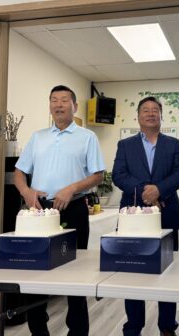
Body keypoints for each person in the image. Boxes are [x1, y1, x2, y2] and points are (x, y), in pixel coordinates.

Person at [14, 85, 105, 336]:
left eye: (64, 100)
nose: (59, 104)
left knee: (75, 274)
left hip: (73, 209)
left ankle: (77, 331)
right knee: (35, 274)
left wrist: (72, 188)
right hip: (39, 212)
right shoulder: (38, 137)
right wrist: (26, 192)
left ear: (74, 106)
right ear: (50, 106)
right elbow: (19, 172)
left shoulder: (87, 137)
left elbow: (98, 174)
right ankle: (38, 330)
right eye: (54, 100)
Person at [112, 96, 179, 336]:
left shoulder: (173, 143)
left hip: (167, 213)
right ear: (138, 117)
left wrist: (160, 190)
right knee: (132, 273)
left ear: (161, 116)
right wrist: (146, 190)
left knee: (168, 273)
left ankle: (167, 326)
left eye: (155, 110)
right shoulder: (125, 145)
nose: (151, 113)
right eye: (146, 110)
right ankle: (133, 326)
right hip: (133, 217)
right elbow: (118, 175)